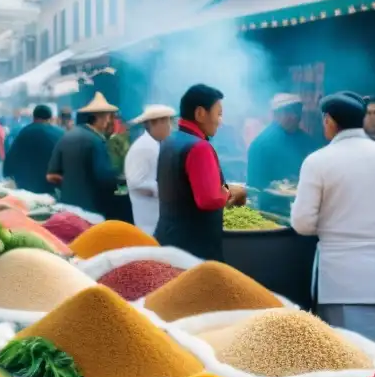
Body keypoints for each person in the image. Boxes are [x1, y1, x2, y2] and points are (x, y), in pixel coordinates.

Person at [291, 91, 375, 352]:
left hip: (341, 279)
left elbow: (302, 224)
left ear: (329, 121)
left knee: (350, 362)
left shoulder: (318, 161)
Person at [154, 85, 246, 261]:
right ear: (200, 113)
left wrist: (224, 188)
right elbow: (209, 199)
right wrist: (232, 192)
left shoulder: (169, 141)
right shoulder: (199, 147)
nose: (220, 121)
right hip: (194, 249)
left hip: (167, 239)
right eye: (218, 114)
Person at [46, 93, 120, 214]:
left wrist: (70, 183)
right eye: (108, 117)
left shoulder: (66, 137)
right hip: (91, 210)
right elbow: (104, 178)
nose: (109, 121)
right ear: (99, 118)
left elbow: (51, 176)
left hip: (67, 207)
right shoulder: (96, 141)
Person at [247, 93, 318, 208]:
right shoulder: (261, 144)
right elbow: (254, 184)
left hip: (303, 204)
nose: (295, 116)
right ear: (276, 115)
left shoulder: (307, 141)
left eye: (297, 111)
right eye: (289, 112)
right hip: (271, 207)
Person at [124, 104, 174, 236]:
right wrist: (165, 189)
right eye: (166, 122)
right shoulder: (144, 147)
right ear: (153, 123)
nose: (170, 127)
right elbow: (136, 183)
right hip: (149, 220)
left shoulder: (153, 145)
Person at [3, 105, 63, 194]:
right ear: (50, 118)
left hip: (27, 185)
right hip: (51, 184)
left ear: (34, 117)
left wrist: (7, 172)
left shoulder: (23, 132)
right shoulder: (59, 133)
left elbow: (11, 156)